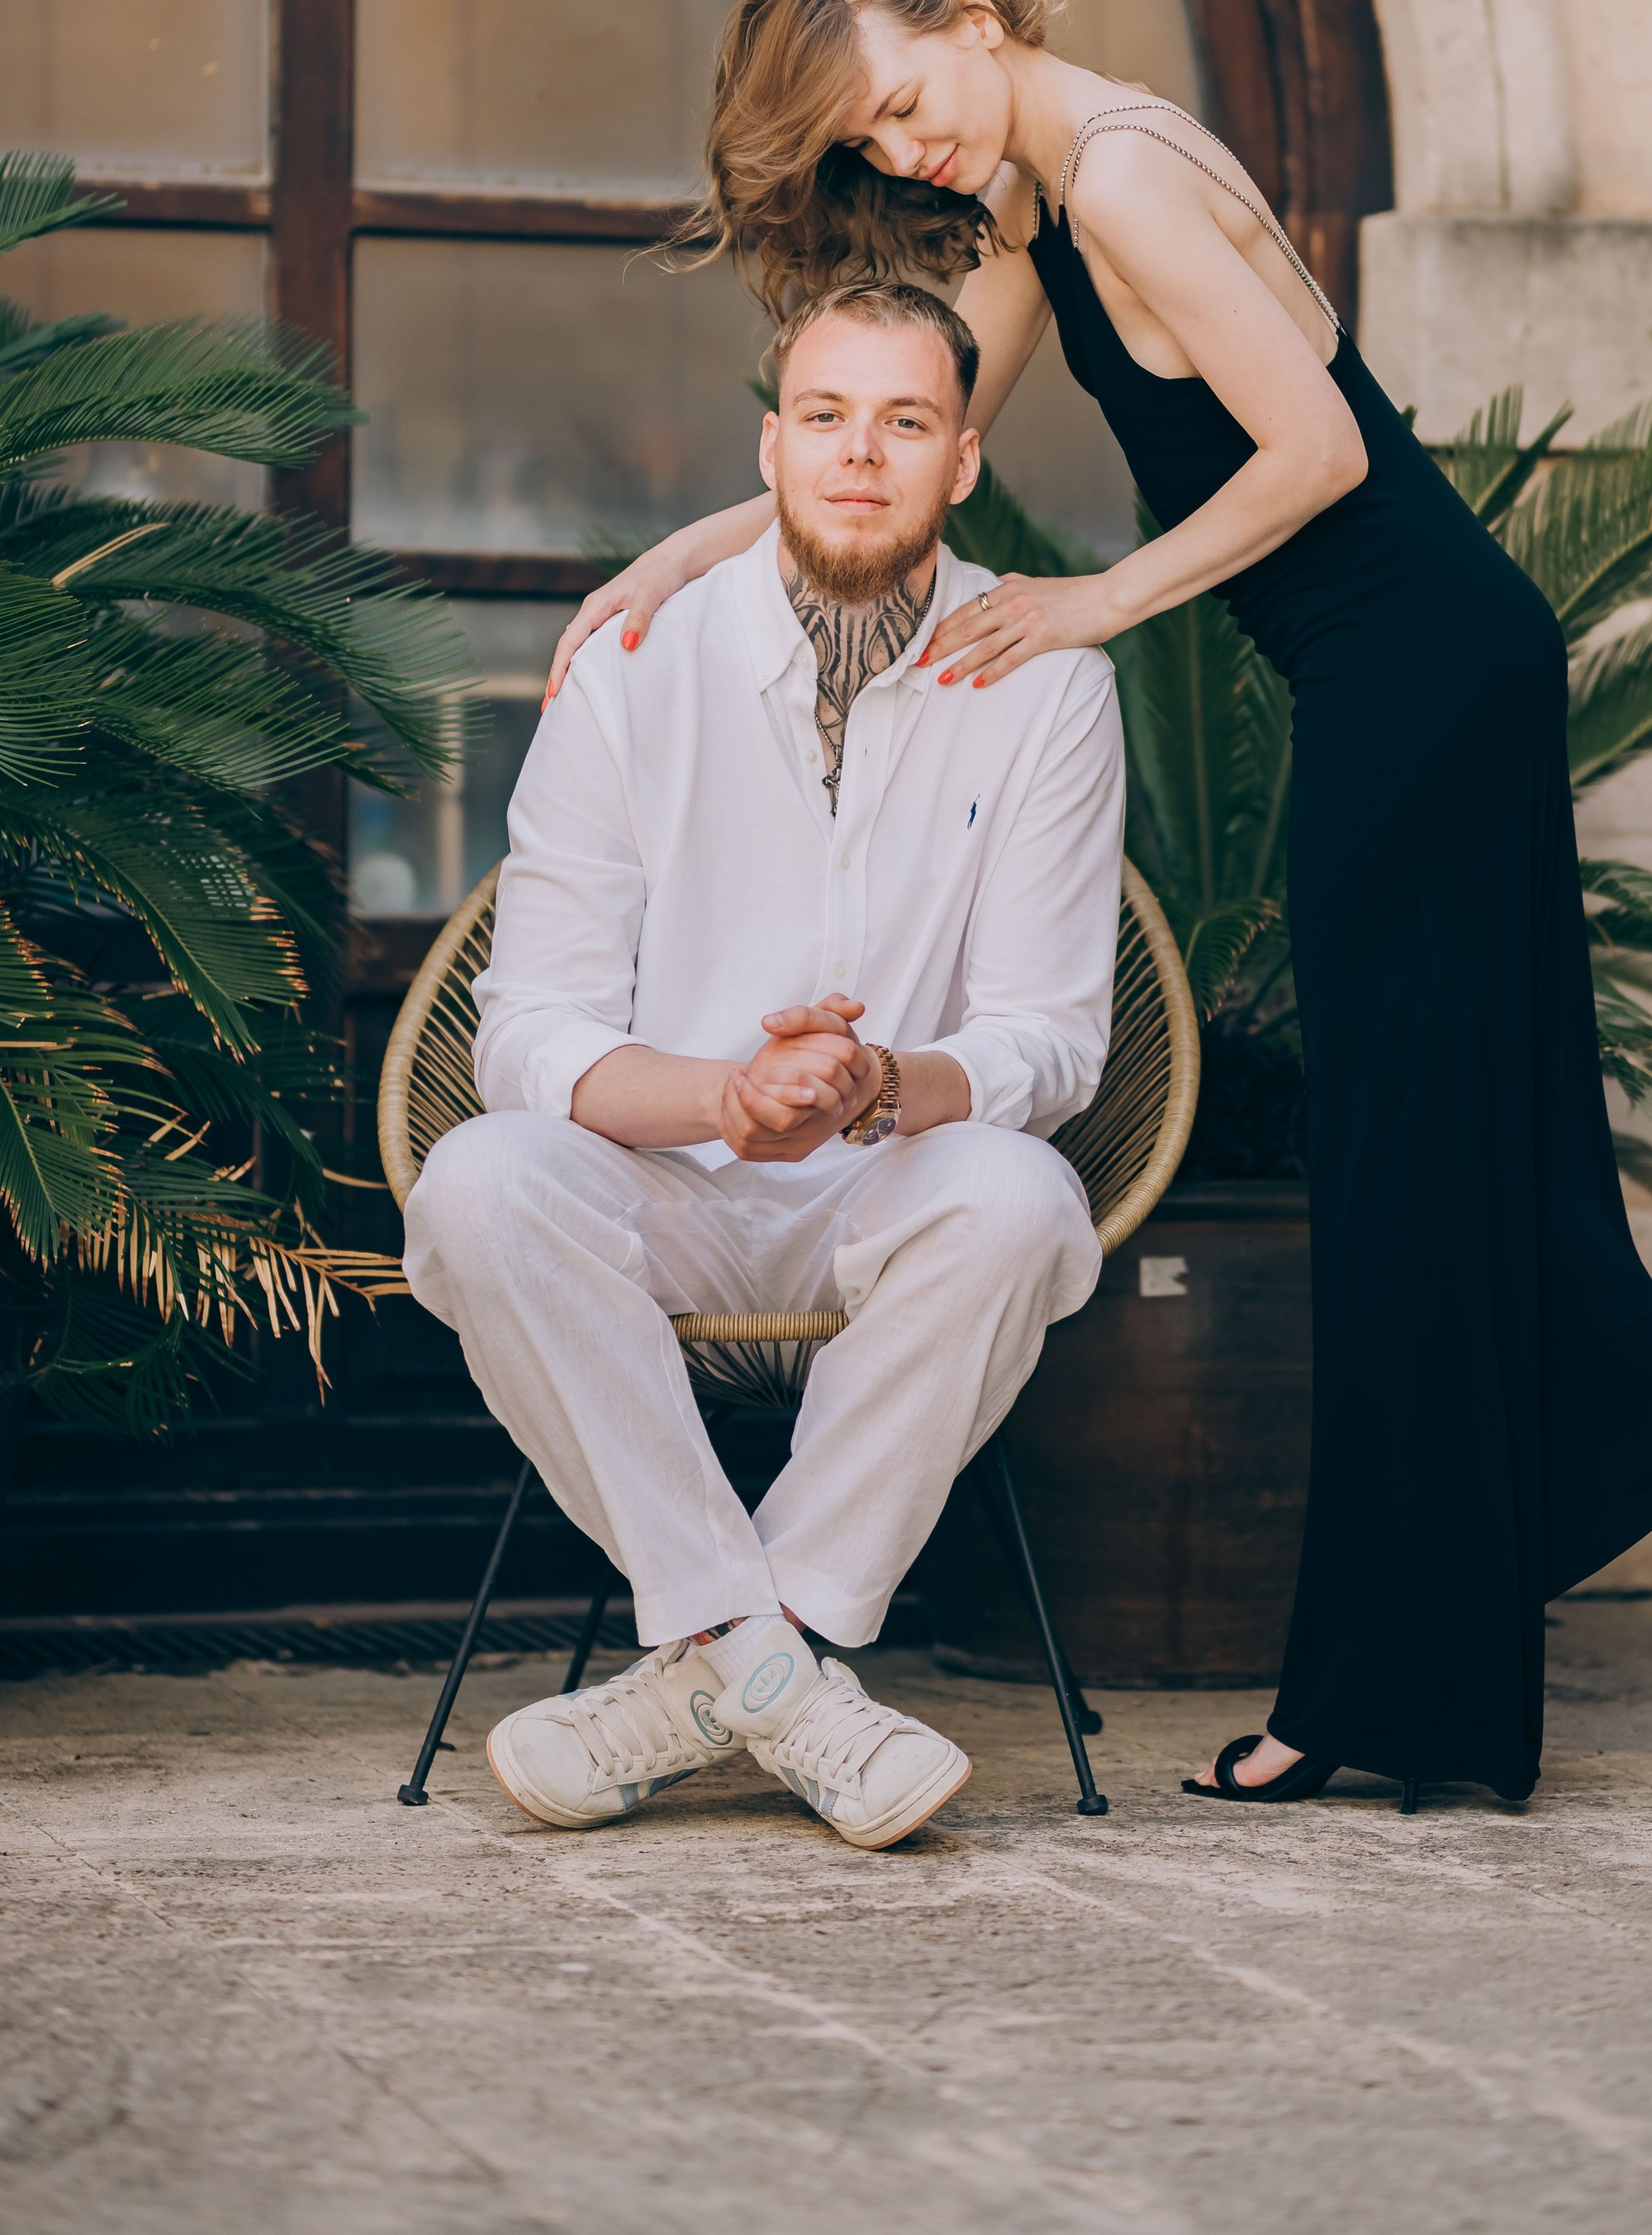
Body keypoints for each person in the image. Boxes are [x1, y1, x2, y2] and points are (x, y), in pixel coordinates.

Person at [547, 0, 1652, 1811]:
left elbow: (1319, 458)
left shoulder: (1119, 175)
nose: (904, 151)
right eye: (867, 142)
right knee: (1447, 1173)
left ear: (974, 16)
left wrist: (1093, 602)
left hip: (1417, 679)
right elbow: (929, 428)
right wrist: (670, 564)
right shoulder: (1045, 199)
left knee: (1409, 1181)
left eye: (904, 100)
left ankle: (1479, 1630)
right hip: (1405, 684)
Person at [406, 278, 1122, 1850]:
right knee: (478, 1184)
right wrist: (724, 1100)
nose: (860, 452)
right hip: (663, 1183)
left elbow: (1051, 1036)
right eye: (825, 415)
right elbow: (529, 1023)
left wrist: (883, 1085)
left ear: (964, 459)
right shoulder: (634, 664)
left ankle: (712, 1673)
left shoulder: (1051, 679)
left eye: (906, 421)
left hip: (890, 1182)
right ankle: (775, 1667)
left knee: (1020, 1200)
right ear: (772, 446)